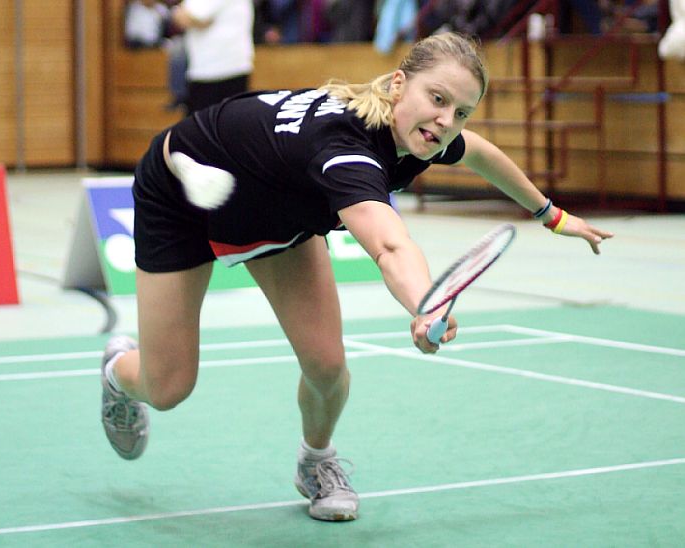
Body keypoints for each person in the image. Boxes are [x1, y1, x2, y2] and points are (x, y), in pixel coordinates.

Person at [99, 31, 613, 522]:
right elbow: (389, 244)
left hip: (273, 215)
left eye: (460, 111)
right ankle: (118, 370)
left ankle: (315, 461)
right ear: (397, 85)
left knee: (326, 366)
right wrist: (425, 304)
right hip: (184, 193)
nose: (445, 120)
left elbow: (479, 152)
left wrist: (552, 215)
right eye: (436, 98)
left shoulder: (423, 135)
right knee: (167, 388)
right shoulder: (346, 151)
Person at [169, 0, 254, 114]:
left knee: (201, 128)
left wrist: (177, 11)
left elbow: (190, 19)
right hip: (228, 67)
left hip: (213, 71)